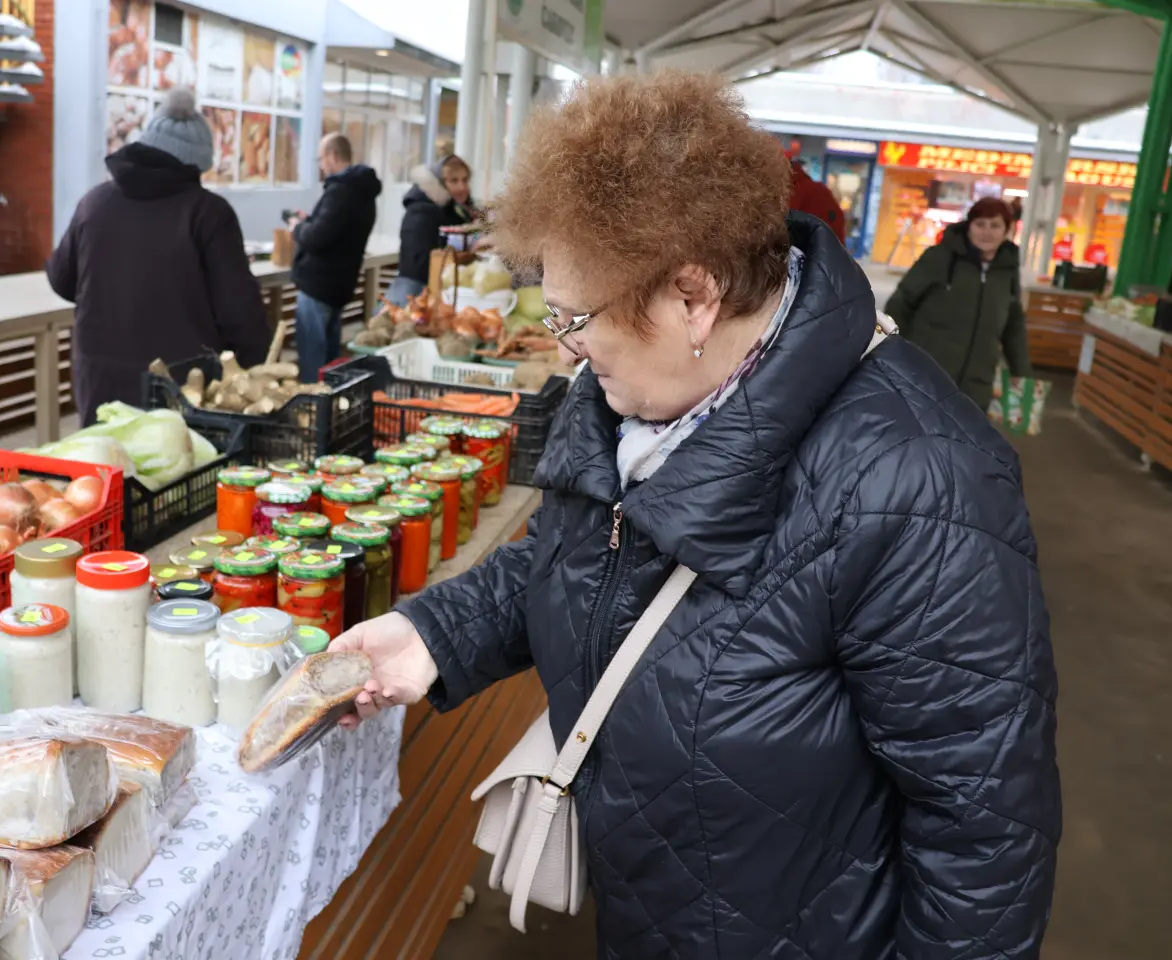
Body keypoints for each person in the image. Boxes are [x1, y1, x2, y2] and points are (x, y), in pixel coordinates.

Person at [333, 72, 1059, 958]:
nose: (567, 346)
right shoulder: (627, 400)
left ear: (692, 297)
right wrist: (434, 635)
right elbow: (573, 554)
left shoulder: (925, 487)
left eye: (577, 318)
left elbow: (984, 837)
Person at [46, 86, 268, 426]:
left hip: (101, 382)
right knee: (175, 474)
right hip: (181, 389)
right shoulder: (208, 213)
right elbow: (239, 311)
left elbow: (62, 280)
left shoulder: (94, 204)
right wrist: (255, 368)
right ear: (195, 163)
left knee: (108, 472)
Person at [884, 197, 1031, 410]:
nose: (987, 232)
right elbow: (901, 303)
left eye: (995, 225)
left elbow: (1014, 327)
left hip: (975, 388)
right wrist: (893, 352)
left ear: (1007, 230)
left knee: (961, 442)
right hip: (925, 378)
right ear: (968, 226)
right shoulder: (939, 258)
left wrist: (1022, 373)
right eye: (980, 224)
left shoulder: (1007, 271)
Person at [287, 134, 381, 381]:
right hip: (339, 285)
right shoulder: (363, 192)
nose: (320, 165)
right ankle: (332, 412)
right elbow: (335, 231)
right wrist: (311, 221)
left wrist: (297, 227)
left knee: (313, 361)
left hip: (318, 286)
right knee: (330, 363)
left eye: (321, 158)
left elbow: (317, 238)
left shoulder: (341, 192)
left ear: (332, 156)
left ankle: (312, 410)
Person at [389, 156, 477, 305]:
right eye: (453, 181)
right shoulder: (421, 211)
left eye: (465, 180)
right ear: (440, 183)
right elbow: (417, 263)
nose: (462, 187)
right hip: (416, 292)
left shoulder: (457, 210)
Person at [787, 154, 846, 245]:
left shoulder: (797, 189)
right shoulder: (811, 187)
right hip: (829, 247)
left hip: (819, 247)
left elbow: (784, 221)